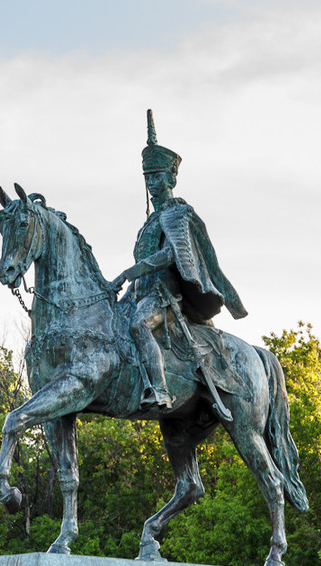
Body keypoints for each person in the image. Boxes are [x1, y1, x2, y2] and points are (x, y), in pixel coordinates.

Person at [112, 110, 248, 410]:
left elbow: (173, 255)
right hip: (138, 294)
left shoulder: (177, 213)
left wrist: (130, 271)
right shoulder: (149, 222)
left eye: (157, 176)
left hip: (164, 298)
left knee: (139, 326)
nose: (151, 182)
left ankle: (160, 390)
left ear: (171, 177)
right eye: (147, 177)